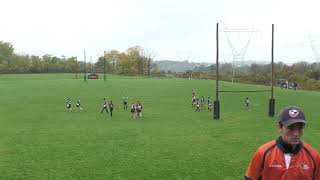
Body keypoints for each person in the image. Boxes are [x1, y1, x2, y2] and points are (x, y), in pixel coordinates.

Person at [245, 106, 320, 180]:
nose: (296, 133)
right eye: (290, 128)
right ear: (279, 127)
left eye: (300, 128)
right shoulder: (263, 153)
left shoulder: (314, 156)